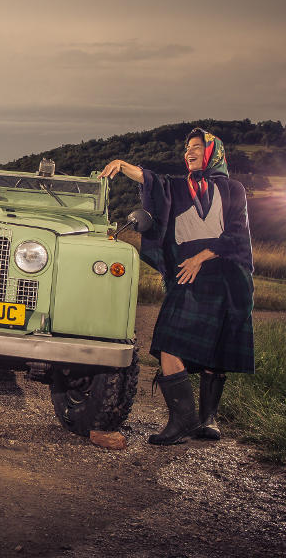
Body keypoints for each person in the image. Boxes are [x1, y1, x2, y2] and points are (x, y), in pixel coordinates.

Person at [101, 128, 254, 445]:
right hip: (188, 277)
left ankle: (206, 420)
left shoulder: (233, 190)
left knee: (218, 351)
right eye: (187, 147)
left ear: (214, 152)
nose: (190, 151)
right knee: (167, 342)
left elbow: (237, 233)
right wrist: (121, 163)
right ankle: (183, 419)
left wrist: (201, 256)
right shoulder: (177, 188)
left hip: (227, 278)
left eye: (197, 146)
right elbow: (150, 180)